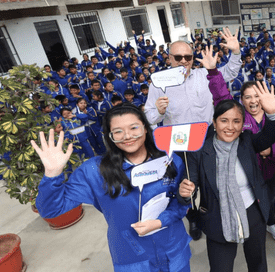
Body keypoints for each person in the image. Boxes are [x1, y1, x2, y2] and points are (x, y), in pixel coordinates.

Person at [33, 104, 191, 271]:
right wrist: (52, 174)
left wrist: (160, 221)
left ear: (145, 128)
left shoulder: (170, 161)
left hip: (173, 251)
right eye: (118, 131)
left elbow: (181, 203)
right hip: (133, 257)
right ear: (109, 136)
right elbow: (51, 210)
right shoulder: (94, 171)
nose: (128, 136)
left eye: (134, 127)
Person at [145, 27, 242, 241]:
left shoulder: (203, 74)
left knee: (212, 177)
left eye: (187, 57)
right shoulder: (158, 83)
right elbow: (148, 116)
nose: (183, 61)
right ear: (169, 58)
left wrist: (235, 52)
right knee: (187, 181)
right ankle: (193, 216)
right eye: (177, 57)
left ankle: (212, 211)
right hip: (178, 140)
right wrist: (159, 111)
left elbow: (230, 73)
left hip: (206, 135)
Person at [178, 81, 275, 272]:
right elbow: (189, 187)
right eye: (224, 120)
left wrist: (272, 113)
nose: (230, 127)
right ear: (215, 122)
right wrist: (186, 192)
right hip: (218, 217)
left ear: (243, 125)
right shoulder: (199, 151)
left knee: (258, 264)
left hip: (253, 212)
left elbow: (270, 135)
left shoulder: (247, 142)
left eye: (236, 121)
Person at [204, 45, 275, 242]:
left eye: (257, 96)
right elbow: (220, 96)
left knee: (268, 200)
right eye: (248, 97)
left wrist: (270, 151)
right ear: (241, 100)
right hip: (244, 172)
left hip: (270, 172)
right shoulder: (239, 117)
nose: (253, 101)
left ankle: (270, 224)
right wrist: (212, 72)